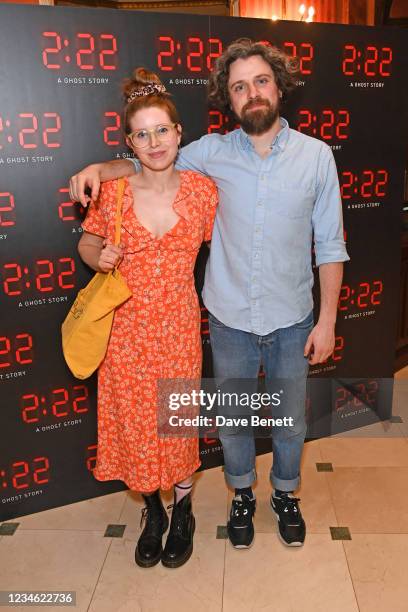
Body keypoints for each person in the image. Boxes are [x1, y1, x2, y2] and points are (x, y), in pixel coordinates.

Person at [70, 39, 349, 550]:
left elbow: (331, 244)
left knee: (289, 419)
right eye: (239, 86)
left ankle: (285, 495)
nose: (252, 93)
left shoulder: (316, 157)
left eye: (261, 81)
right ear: (229, 98)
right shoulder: (209, 154)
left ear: (279, 85)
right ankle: (240, 494)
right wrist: (98, 169)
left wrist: (327, 320)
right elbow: (150, 162)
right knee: (236, 422)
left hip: (291, 318)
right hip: (228, 319)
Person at [76, 67, 218, 568]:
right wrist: (100, 258)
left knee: (177, 423)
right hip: (125, 333)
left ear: (180, 134)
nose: (154, 142)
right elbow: (87, 243)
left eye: (163, 130)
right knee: (134, 425)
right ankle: (153, 513)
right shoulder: (113, 193)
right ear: (129, 142)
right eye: (143, 133)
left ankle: (183, 510)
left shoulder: (204, 192)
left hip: (179, 328)